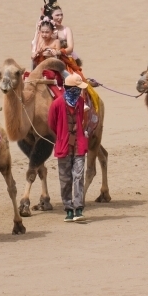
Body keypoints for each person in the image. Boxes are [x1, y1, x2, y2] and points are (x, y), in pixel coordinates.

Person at [48, 73, 89, 223]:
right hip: (64, 146)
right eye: (77, 89)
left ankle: (79, 208)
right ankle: (68, 209)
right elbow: (52, 123)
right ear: (70, 88)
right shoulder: (57, 104)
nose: (79, 92)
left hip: (79, 146)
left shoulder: (80, 101)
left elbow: (82, 120)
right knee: (65, 179)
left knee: (78, 177)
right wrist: (62, 136)